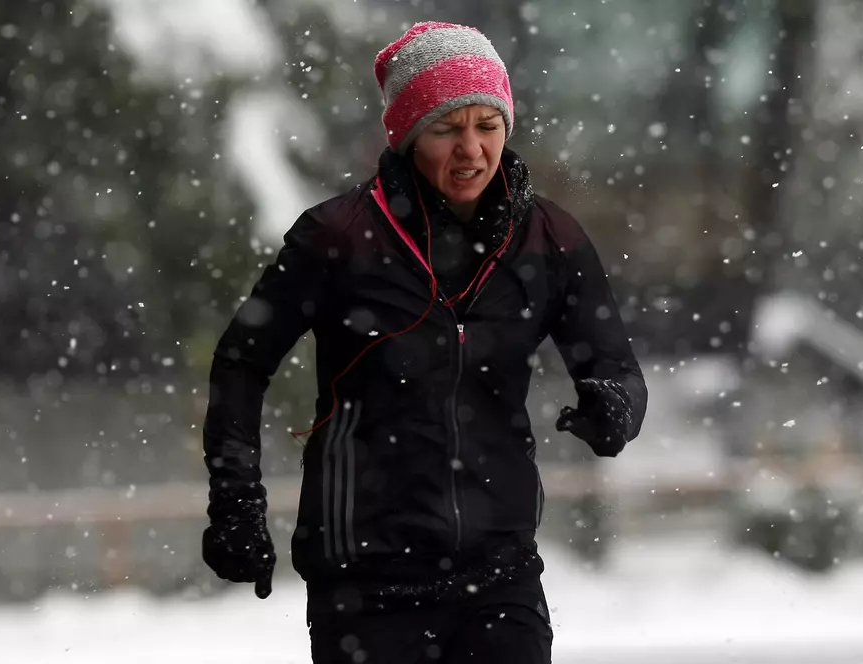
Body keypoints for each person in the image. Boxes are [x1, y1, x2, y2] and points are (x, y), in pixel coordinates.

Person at [200, 20, 647, 663]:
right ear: (409, 136)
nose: (472, 149)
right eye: (446, 128)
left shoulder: (549, 239)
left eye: (487, 125)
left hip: (500, 575)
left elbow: (615, 366)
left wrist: (616, 407)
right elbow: (242, 362)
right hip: (366, 581)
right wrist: (236, 501)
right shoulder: (337, 237)